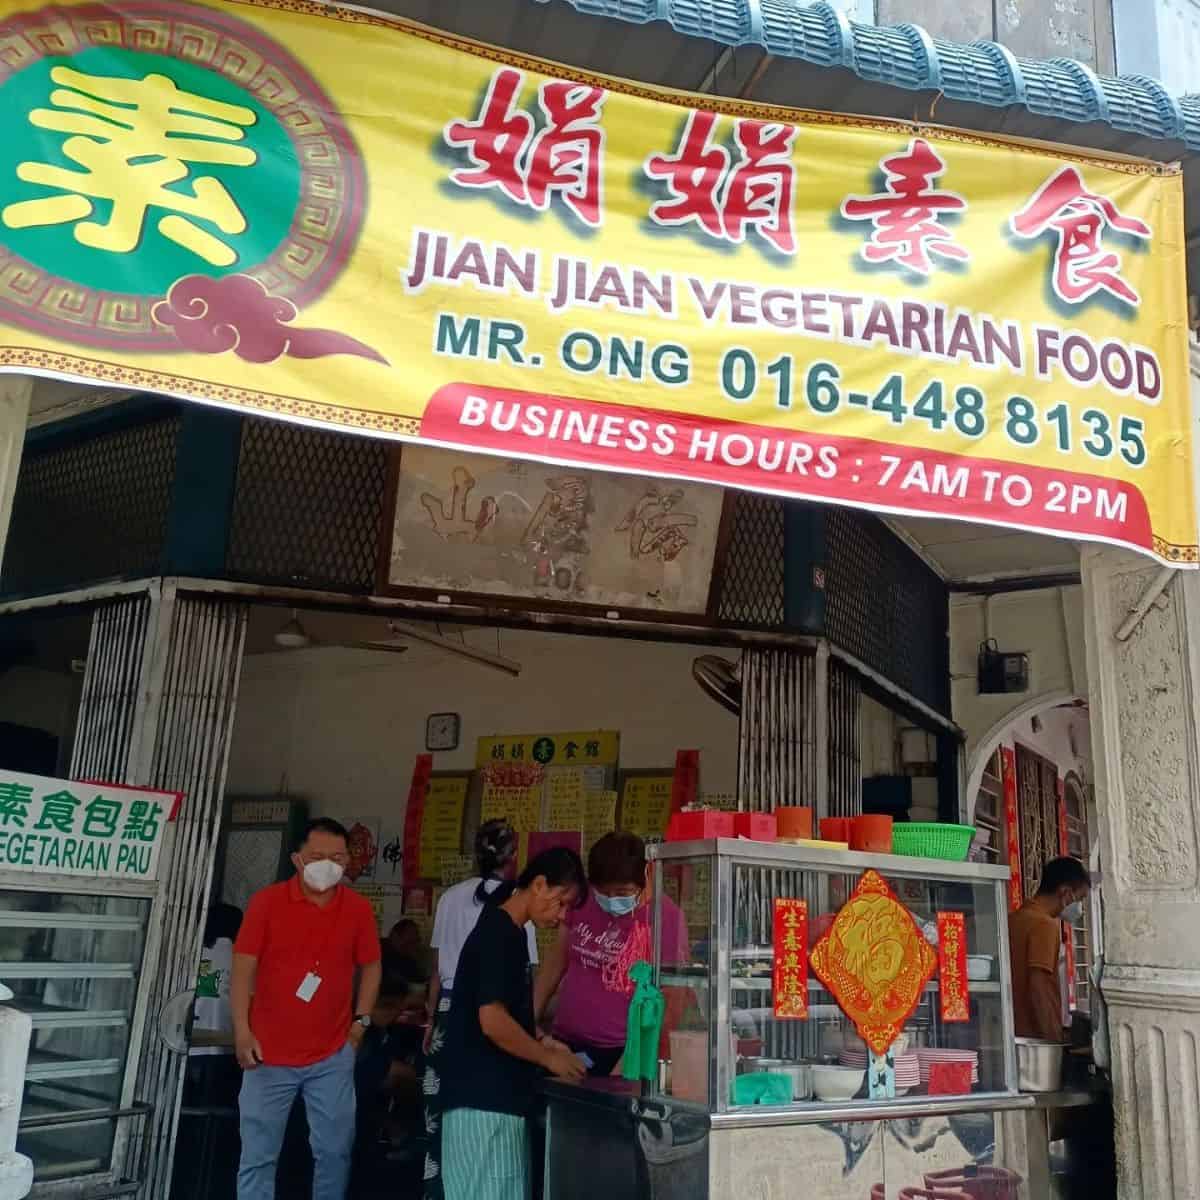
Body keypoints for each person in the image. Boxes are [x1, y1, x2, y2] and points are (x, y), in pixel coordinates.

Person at [231, 817, 382, 1200]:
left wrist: (359, 1026)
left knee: (334, 1155)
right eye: (318, 856)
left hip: (332, 1055)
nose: (328, 864)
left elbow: (372, 966)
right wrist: (242, 1031)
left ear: (348, 861)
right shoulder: (266, 903)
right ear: (298, 859)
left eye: (337, 857)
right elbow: (243, 968)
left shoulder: (358, 910)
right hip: (267, 1055)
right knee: (258, 1157)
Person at [438, 848, 589, 1200]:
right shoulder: (498, 934)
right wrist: (545, 1057)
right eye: (562, 902)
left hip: (499, 1098)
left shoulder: (514, 933)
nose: (562, 915)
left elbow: (507, 1011)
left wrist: (541, 1039)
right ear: (538, 884)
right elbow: (491, 1020)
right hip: (481, 1101)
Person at [423, 820, 538, 1200]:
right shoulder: (520, 905)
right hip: (493, 1012)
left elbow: (437, 969)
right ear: (514, 856)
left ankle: (438, 1189)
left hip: (448, 1011)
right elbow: (527, 979)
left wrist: (430, 1018)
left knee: (442, 1115)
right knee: (486, 1111)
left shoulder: (450, 897)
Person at [534, 831, 688, 1076]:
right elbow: (556, 962)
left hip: (621, 1052)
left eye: (622, 893)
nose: (611, 900)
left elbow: (672, 999)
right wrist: (531, 1019)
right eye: (603, 893)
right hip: (563, 1044)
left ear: (646, 875)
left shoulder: (666, 917)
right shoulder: (583, 900)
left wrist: (632, 1059)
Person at [1008, 855, 1091, 1042]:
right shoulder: (1044, 924)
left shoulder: (1015, 918)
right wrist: (1054, 1041)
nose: (1080, 908)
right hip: (1034, 1038)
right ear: (1065, 893)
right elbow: (1039, 986)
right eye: (1080, 898)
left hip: (1011, 1032)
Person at [380, 918, 426, 999]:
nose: (414, 944)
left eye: (416, 940)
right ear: (394, 935)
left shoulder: (409, 958)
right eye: (410, 940)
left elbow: (419, 982)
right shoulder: (379, 951)